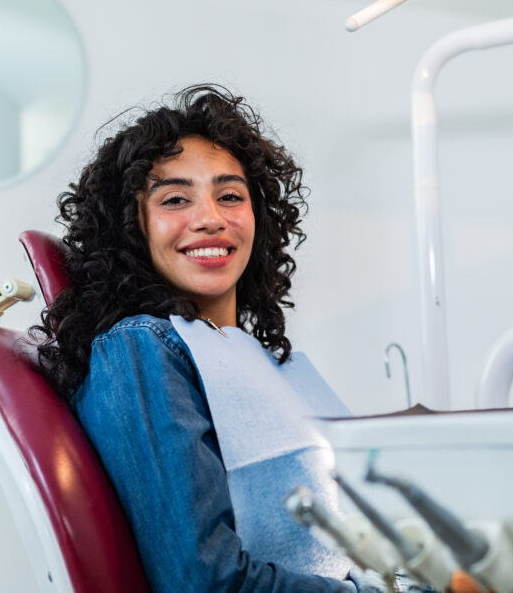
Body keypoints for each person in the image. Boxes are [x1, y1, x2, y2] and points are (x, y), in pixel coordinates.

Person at [32, 84, 414, 592]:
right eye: (174, 199)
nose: (210, 218)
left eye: (230, 196)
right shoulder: (140, 349)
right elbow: (205, 582)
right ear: (131, 227)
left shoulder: (252, 357)